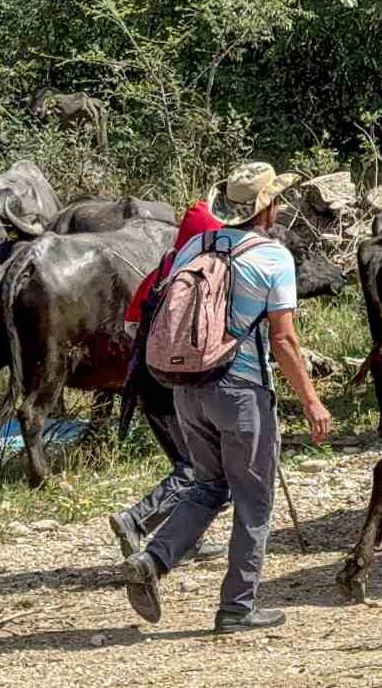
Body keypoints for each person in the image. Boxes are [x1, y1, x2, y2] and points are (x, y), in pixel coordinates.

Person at [121, 163, 334, 634]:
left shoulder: (197, 246)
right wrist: (312, 401)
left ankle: (153, 561)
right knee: (254, 500)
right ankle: (237, 607)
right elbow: (284, 341)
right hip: (240, 392)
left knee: (208, 485)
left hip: (186, 389)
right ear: (269, 208)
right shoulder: (274, 258)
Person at [107, 201, 227, 565]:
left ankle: (188, 539)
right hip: (176, 388)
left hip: (147, 382)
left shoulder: (163, 268)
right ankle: (137, 520)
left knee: (192, 464)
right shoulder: (204, 273)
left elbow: (130, 324)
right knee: (199, 470)